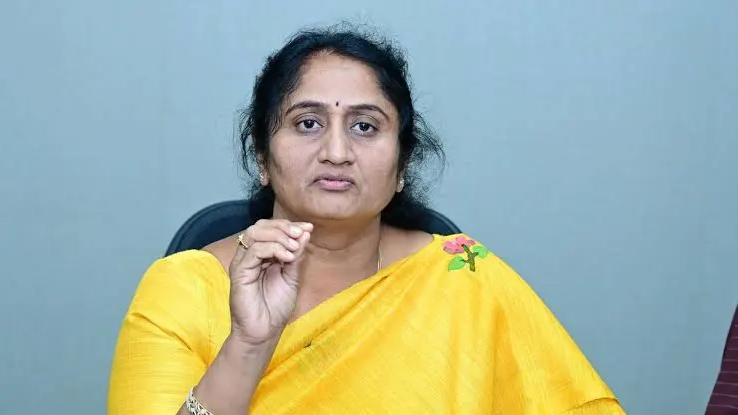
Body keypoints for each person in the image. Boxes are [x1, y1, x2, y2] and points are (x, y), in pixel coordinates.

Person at [108, 26, 624, 414]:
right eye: (308, 123)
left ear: (402, 165)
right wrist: (248, 345)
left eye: (364, 127)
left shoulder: (466, 281)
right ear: (262, 156)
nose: (336, 151)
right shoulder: (182, 290)